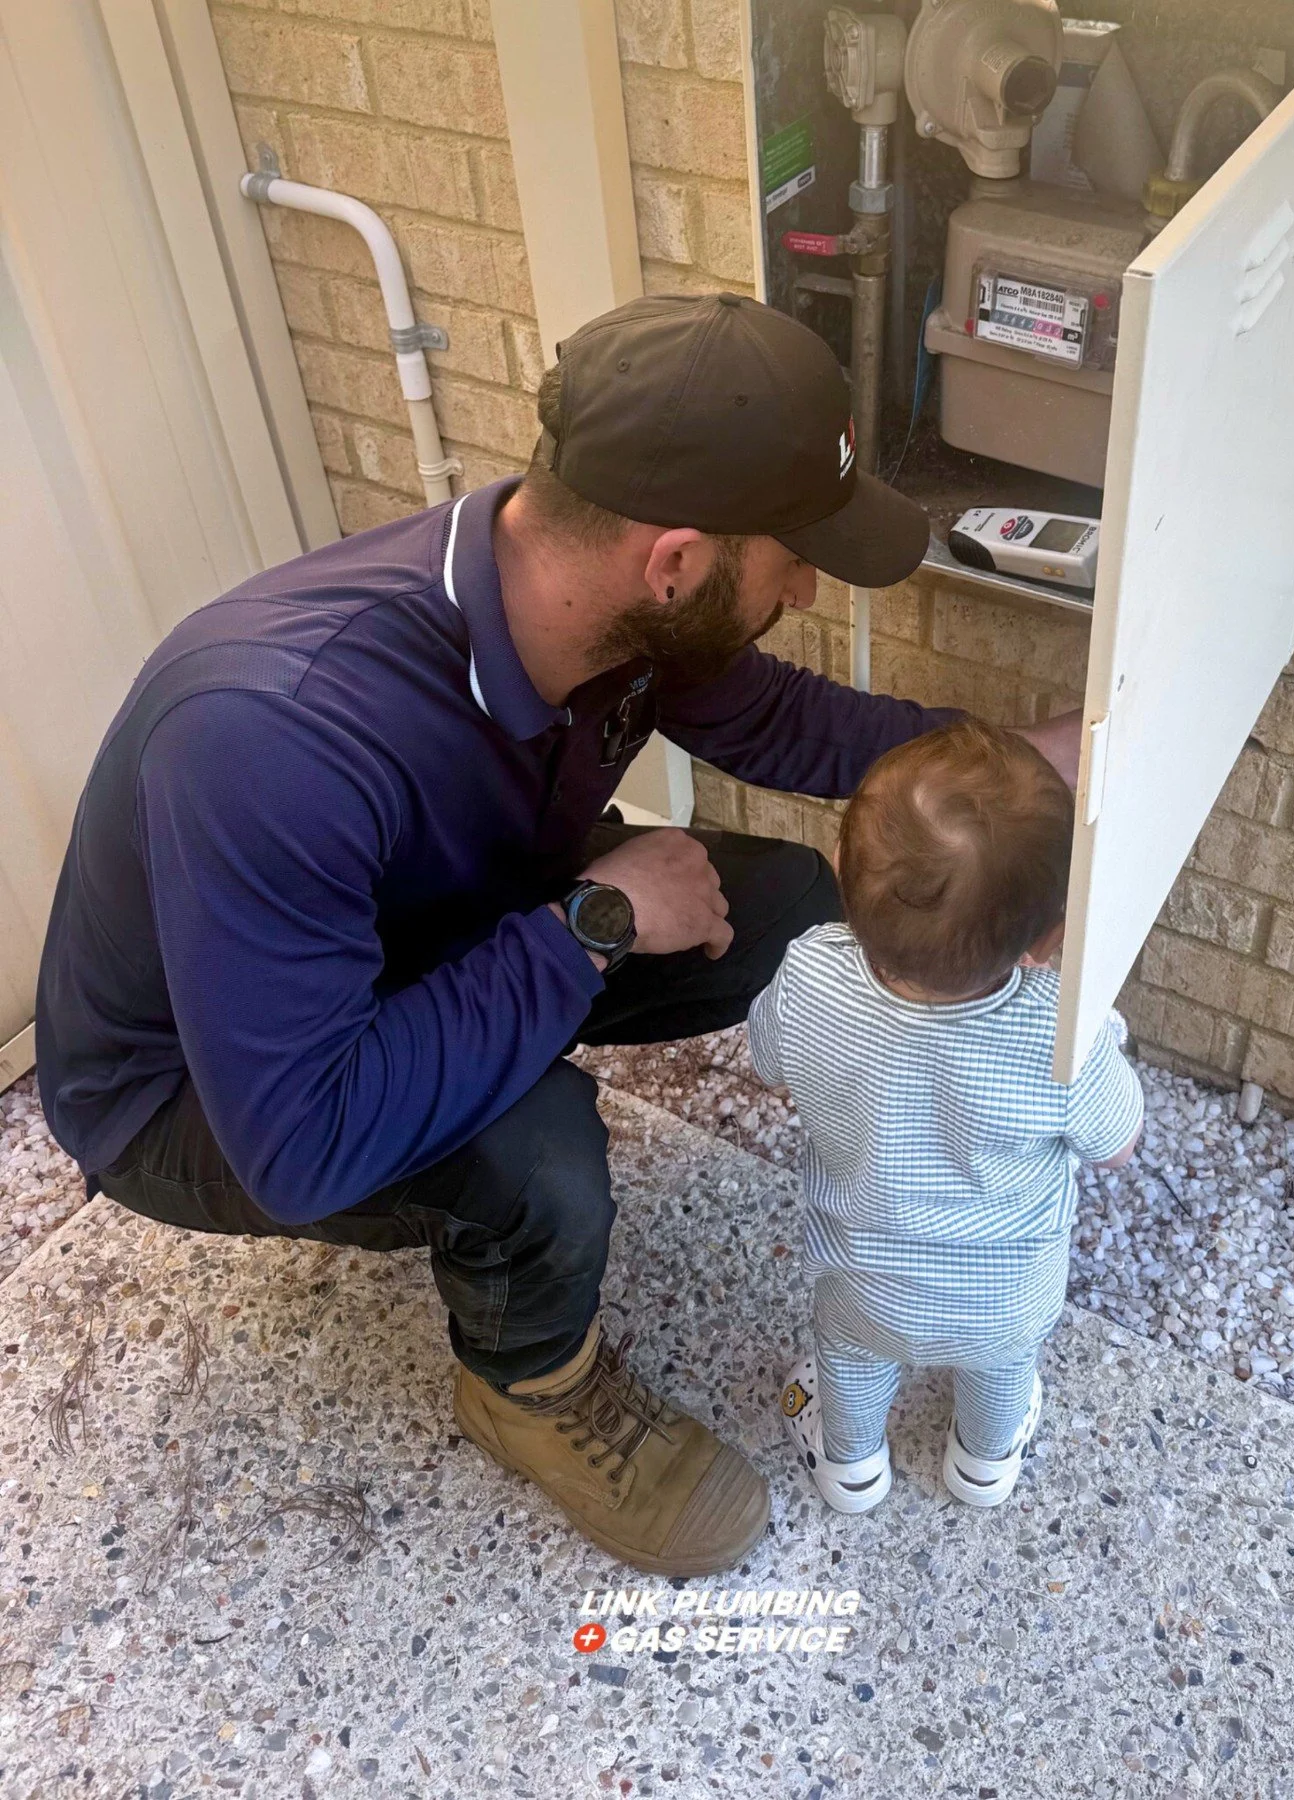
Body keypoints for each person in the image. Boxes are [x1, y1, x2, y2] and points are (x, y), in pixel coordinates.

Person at [36, 292, 1079, 1576]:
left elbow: (799, 730)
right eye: (794, 554)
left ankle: (507, 1030)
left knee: (791, 911)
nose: (807, 587)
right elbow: (302, 1142)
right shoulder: (275, 735)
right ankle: (528, 1384)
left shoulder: (602, 595)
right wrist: (594, 921)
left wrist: (1024, 765)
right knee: (536, 1152)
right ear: (678, 560)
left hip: (424, 914)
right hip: (208, 1092)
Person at [749, 718, 1142, 1516]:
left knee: (849, 1358)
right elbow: (1118, 1144)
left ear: (840, 874)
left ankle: (850, 1467)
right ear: (1050, 938)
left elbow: (767, 1067)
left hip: (864, 1284)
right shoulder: (1061, 1031)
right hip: (1005, 1298)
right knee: (1005, 1368)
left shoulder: (809, 974)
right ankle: (984, 1464)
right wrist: (1102, 1035)